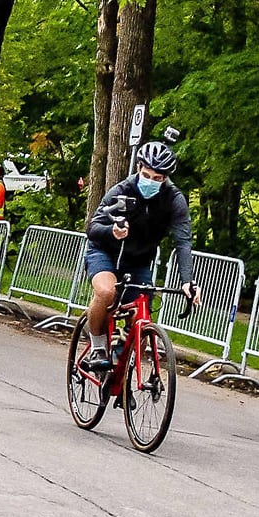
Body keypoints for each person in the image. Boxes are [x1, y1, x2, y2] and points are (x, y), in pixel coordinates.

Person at [81, 140, 200, 372]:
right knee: (107, 292)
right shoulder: (122, 190)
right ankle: (98, 346)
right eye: (147, 175)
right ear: (138, 168)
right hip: (105, 252)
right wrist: (112, 232)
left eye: (158, 178)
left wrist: (188, 280)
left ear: (166, 178)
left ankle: (123, 371)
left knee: (141, 317)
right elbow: (92, 228)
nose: (151, 182)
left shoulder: (174, 200)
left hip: (139, 261)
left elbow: (183, 241)